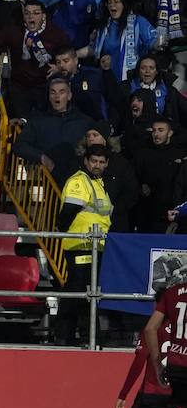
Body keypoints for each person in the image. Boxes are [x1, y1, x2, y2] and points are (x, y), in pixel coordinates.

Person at [54, 145, 114, 345]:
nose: (97, 165)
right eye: (94, 161)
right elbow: (68, 212)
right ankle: (70, 337)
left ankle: (81, 336)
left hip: (95, 246)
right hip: (81, 245)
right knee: (78, 292)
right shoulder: (80, 181)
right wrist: (63, 230)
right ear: (86, 161)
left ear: (106, 164)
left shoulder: (97, 182)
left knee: (85, 292)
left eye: (101, 162)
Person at [0, 0, 73, 116]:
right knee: (20, 121)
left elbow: (69, 54)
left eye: (36, 13)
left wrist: (59, 67)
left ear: (43, 16)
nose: (31, 17)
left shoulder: (55, 34)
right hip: (19, 85)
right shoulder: (15, 31)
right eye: (27, 13)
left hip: (44, 86)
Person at [12, 78, 94, 180]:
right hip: (47, 179)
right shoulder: (38, 121)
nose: (57, 96)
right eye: (53, 92)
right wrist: (41, 157)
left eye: (62, 92)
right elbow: (19, 146)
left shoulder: (84, 122)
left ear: (69, 96)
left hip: (79, 179)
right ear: (49, 96)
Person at [88, 0, 156, 82]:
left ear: (124, 4)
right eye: (110, 2)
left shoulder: (138, 21)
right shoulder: (104, 26)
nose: (112, 5)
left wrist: (159, 42)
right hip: (108, 78)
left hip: (132, 78)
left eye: (116, 2)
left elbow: (153, 42)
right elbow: (95, 50)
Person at [134, 116, 187, 230]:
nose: (156, 134)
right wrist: (141, 186)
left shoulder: (180, 154)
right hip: (149, 214)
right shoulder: (142, 155)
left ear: (170, 133)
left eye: (161, 130)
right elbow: (134, 179)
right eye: (154, 130)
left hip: (174, 214)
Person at [49, 47, 107, 121]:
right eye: (58, 62)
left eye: (66, 61)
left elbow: (93, 103)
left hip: (90, 121)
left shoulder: (91, 76)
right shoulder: (55, 81)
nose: (62, 65)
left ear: (76, 60)